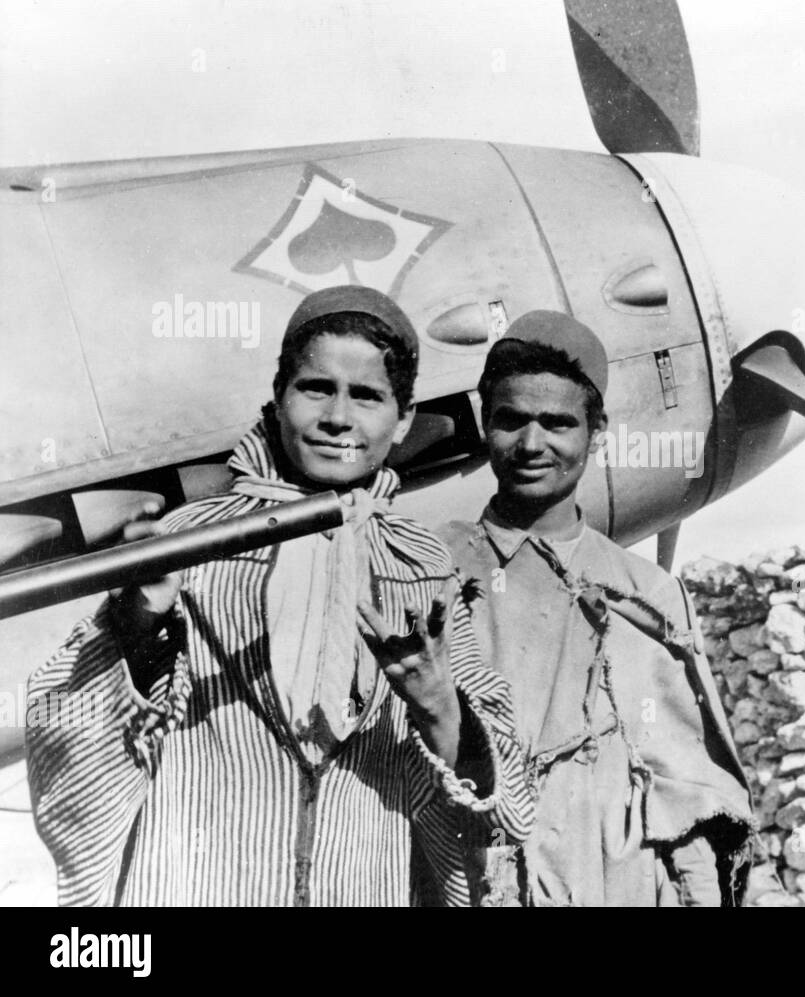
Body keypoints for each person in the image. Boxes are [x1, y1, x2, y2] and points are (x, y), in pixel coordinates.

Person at [26, 285, 533, 906]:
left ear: (403, 419)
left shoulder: (422, 567)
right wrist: (138, 621)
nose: (338, 419)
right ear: (278, 392)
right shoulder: (189, 542)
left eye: (368, 396)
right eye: (315, 388)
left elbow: (501, 816)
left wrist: (439, 707)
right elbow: (69, 739)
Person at [436, 310, 754, 906]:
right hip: (459, 877)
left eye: (557, 423)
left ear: (596, 430)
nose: (532, 445)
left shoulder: (647, 595)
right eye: (512, 421)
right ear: (485, 424)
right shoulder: (429, 569)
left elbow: (688, 797)